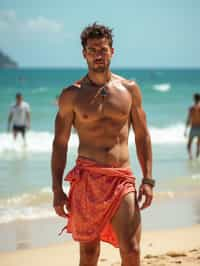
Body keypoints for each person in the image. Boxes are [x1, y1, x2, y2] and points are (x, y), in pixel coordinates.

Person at [51, 23, 154, 266]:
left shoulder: (129, 90)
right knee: (88, 254)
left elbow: (142, 135)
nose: (98, 53)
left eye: (103, 49)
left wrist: (148, 179)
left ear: (112, 52)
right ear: (84, 53)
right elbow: (60, 144)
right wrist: (57, 189)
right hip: (87, 179)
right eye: (92, 49)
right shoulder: (71, 95)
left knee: (131, 250)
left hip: (121, 179)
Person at [184, 93, 200, 159]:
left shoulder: (191, 108)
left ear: (194, 99)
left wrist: (185, 130)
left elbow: (188, 119)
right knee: (198, 144)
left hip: (193, 128)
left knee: (189, 144)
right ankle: (196, 157)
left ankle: (191, 156)